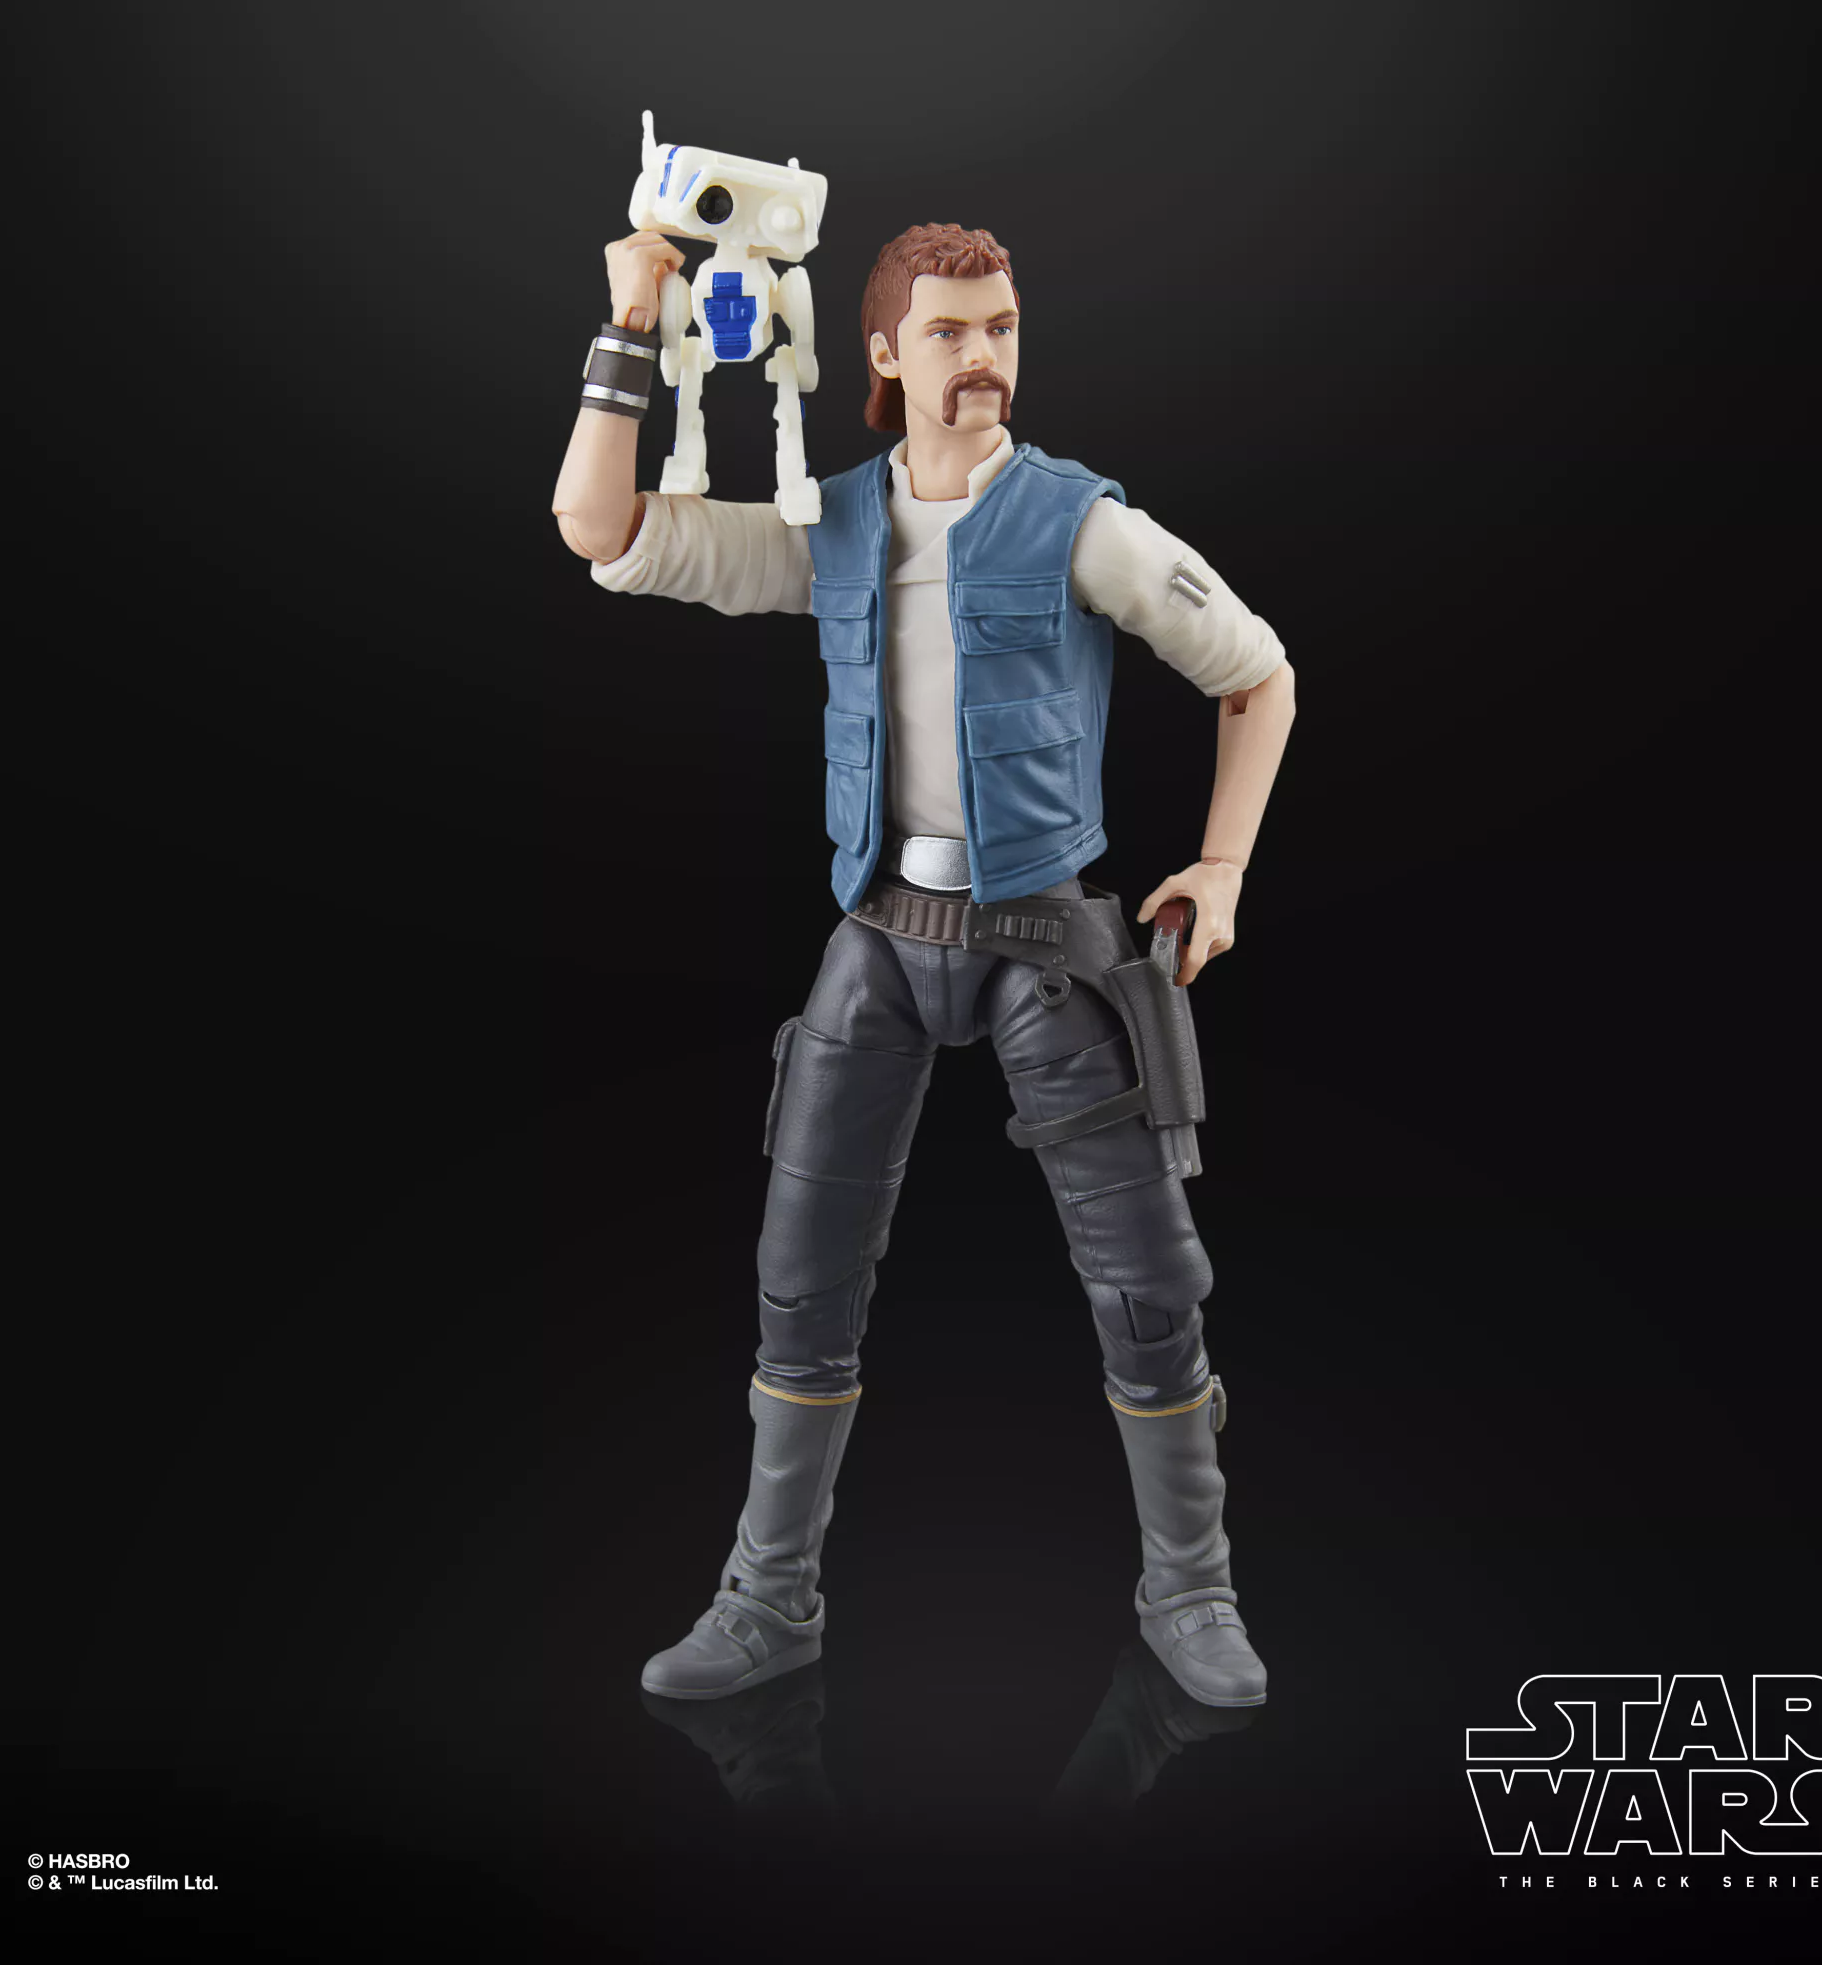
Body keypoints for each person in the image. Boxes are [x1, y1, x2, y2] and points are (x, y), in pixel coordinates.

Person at [552, 221, 1295, 1708]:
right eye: (950, 332)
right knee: (799, 1279)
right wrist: (632, 325)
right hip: (882, 936)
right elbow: (602, 530)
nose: (983, 358)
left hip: (1050, 942)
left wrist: (1220, 868)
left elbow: (1258, 672)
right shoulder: (827, 524)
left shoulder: (1084, 526)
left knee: (1150, 1285)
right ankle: (769, 1599)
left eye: (1001, 326)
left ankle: (1193, 1590)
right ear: (885, 352)